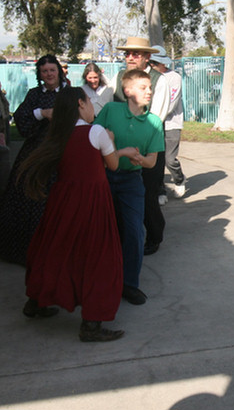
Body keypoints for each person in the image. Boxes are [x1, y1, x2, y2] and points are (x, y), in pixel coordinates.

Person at [19, 86, 139, 342]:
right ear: (81, 104)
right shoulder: (96, 132)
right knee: (98, 257)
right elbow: (113, 166)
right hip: (92, 202)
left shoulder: (58, 134)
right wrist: (114, 142)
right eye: (89, 102)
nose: (93, 108)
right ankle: (91, 324)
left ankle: (35, 302)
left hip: (63, 201)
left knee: (54, 249)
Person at [94, 69, 164, 306]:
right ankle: (100, 279)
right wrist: (111, 144)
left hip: (131, 181)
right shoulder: (111, 111)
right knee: (102, 230)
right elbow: (93, 140)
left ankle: (129, 284)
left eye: (150, 88)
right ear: (127, 91)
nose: (149, 92)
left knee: (135, 231)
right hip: (103, 176)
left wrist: (139, 159)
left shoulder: (154, 122)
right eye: (143, 87)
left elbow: (152, 161)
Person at [0, 55, 66, 265]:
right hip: (34, 153)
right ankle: (25, 251)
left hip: (61, 153)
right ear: (39, 74)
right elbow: (21, 117)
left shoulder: (68, 94)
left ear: (58, 72)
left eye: (52, 70)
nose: (49, 75)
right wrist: (42, 113)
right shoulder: (34, 94)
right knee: (26, 195)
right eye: (44, 71)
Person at [112, 37, 166, 255]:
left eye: (135, 54)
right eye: (128, 54)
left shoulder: (158, 80)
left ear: (147, 57)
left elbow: (157, 116)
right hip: (121, 147)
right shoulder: (116, 78)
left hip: (148, 145)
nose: (130, 58)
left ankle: (154, 236)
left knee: (148, 195)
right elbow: (109, 106)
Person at [148, 45, 187, 204]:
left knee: (170, 159)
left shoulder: (174, 78)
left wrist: (157, 115)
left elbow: (170, 103)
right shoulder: (149, 77)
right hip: (153, 125)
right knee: (157, 161)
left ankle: (179, 179)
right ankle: (160, 190)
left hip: (171, 124)